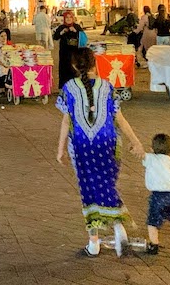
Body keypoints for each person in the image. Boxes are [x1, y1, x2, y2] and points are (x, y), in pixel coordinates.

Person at [55, 48, 144, 258]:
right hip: (109, 144)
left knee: (89, 190)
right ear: (95, 64)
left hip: (80, 146)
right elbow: (120, 119)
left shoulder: (68, 88)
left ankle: (93, 242)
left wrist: (60, 150)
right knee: (107, 185)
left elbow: (66, 121)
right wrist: (136, 142)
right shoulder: (107, 87)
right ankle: (118, 227)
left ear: (75, 66)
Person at [142, 133, 170, 255]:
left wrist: (133, 148)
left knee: (153, 222)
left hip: (158, 196)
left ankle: (154, 244)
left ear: (151, 149)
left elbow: (140, 154)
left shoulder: (150, 158)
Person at [53, 10, 84, 89]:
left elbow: (83, 37)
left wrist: (76, 32)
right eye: (67, 17)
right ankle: (63, 87)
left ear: (73, 18)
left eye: (70, 17)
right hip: (64, 53)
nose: (69, 19)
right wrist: (62, 32)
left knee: (75, 69)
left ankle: (75, 87)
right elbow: (55, 37)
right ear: (64, 18)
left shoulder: (77, 26)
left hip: (75, 53)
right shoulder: (61, 27)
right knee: (64, 70)